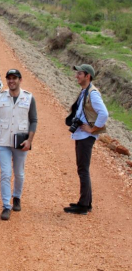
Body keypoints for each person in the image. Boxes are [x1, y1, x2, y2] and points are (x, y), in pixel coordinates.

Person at [0, 69, 38, 221]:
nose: (11, 81)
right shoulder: (1, 97)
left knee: (19, 173)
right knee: (6, 173)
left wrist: (30, 140)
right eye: (9, 78)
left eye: (14, 78)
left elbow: (34, 120)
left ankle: (17, 197)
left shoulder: (28, 98)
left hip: (21, 141)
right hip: (3, 141)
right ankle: (6, 206)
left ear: (20, 80)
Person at [64, 64, 108, 215]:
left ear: (87, 76)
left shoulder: (92, 93)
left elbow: (104, 113)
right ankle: (86, 203)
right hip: (83, 135)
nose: (77, 76)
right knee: (83, 169)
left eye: (80, 74)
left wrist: (92, 129)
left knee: (83, 169)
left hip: (86, 136)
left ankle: (83, 205)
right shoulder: (85, 91)